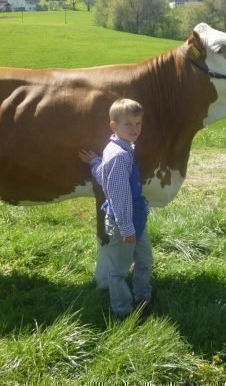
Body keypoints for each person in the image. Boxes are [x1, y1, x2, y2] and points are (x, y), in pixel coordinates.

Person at [79, 98, 153, 319]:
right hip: (124, 222)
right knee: (119, 271)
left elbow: (105, 176)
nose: (135, 129)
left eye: (138, 123)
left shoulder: (121, 147)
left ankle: (143, 296)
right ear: (114, 126)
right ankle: (123, 310)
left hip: (136, 218)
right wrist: (126, 227)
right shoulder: (119, 156)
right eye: (128, 124)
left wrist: (94, 163)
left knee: (145, 262)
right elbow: (119, 196)